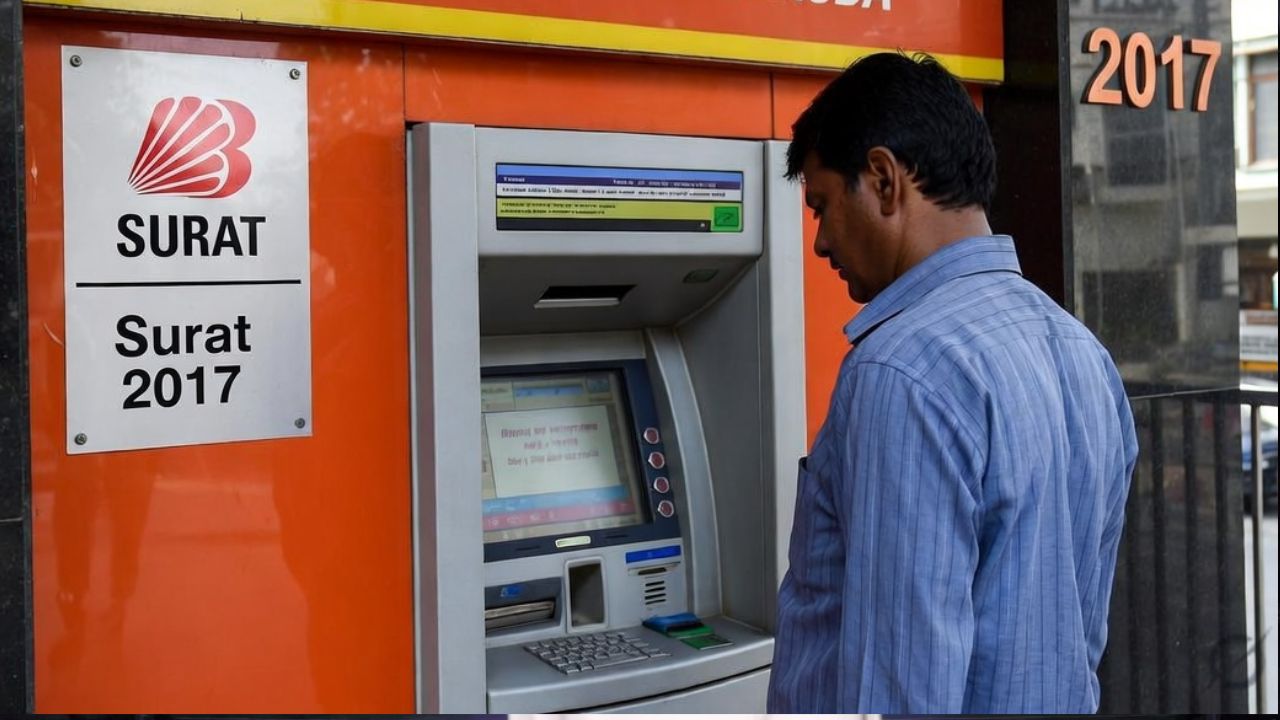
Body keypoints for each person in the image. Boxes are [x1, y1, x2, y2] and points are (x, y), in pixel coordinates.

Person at [767, 52, 1138, 714]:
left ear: (884, 179)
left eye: (821, 206)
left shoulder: (900, 370)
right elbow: (1084, 632)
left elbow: (899, 686)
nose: (819, 242)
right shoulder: (1082, 351)